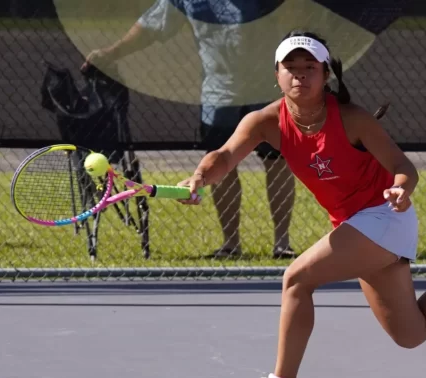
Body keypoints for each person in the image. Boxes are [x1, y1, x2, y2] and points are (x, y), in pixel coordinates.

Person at [177, 30, 426, 378]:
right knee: (410, 333)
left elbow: (403, 167)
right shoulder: (264, 121)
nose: (300, 75)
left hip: (386, 217)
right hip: (354, 225)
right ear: (277, 74)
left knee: (297, 278)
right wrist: (199, 177)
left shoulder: (352, 119)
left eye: (309, 67)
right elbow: (224, 156)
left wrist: (401, 189)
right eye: (291, 67)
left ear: (325, 74)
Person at [81, 0, 296, 259]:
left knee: (277, 161)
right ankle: (231, 244)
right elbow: (151, 26)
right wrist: (110, 53)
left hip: (266, 90)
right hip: (219, 93)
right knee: (222, 166)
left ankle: (282, 244)